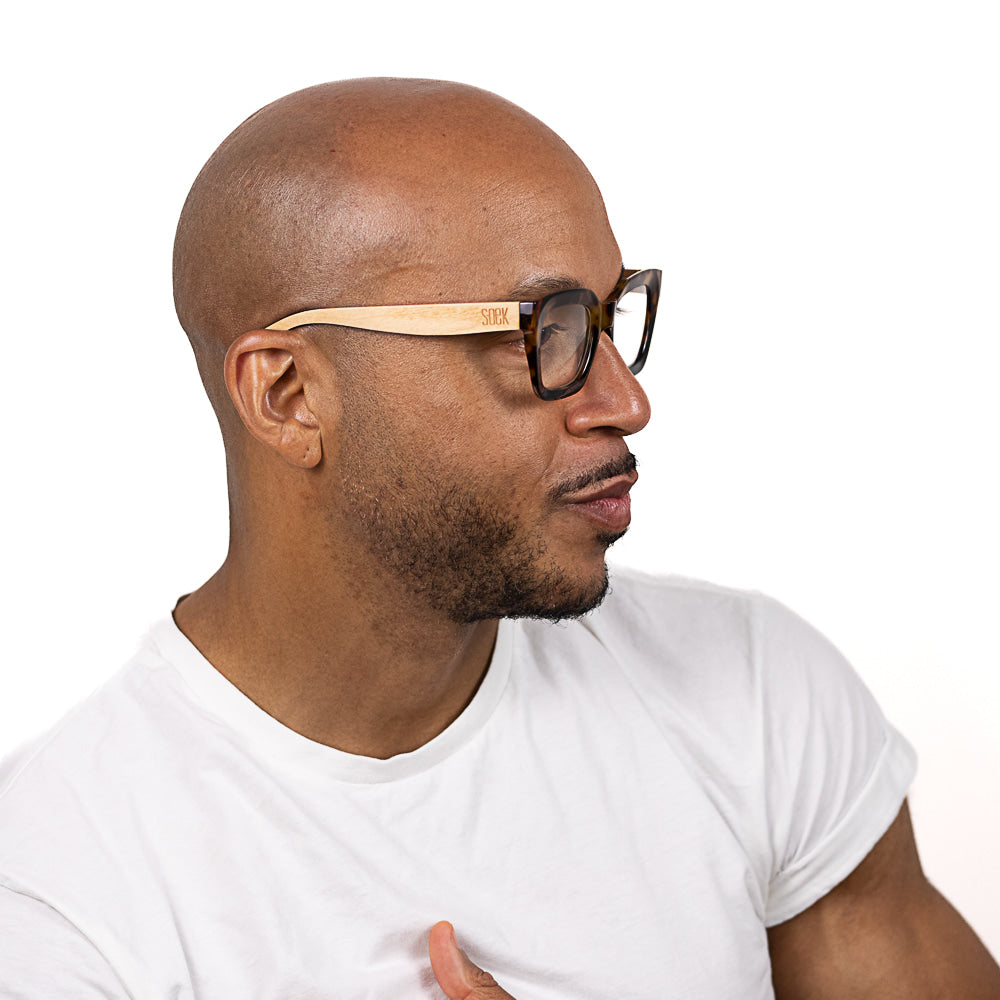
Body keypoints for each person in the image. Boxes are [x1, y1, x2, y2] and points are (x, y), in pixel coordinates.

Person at [0, 78, 997, 1000]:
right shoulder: (59, 896)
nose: (625, 402)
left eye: (607, 319)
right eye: (545, 331)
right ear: (289, 394)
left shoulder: (747, 693)